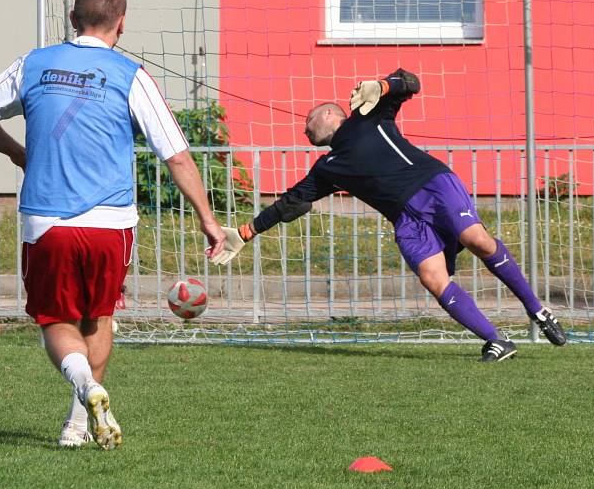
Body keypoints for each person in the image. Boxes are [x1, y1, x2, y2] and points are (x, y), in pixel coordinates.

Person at [0, 0, 226, 449]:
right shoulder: (131, 76)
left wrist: (18, 153)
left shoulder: (34, 63)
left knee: (56, 321)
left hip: (47, 221)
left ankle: (85, 393)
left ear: (71, 18)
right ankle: (78, 423)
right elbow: (178, 157)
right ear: (121, 25)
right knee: (98, 317)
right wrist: (208, 220)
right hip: (111, 224)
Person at [212, 68, 566, 361]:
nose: (304, 129)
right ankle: (497, 341)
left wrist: (381, 86)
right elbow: (289, 203)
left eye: (308, 121)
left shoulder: (367, 115)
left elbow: (410, 82)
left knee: (477, 240)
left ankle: (537, 309)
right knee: (432, 277)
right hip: (406, 219)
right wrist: (244, 233)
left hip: (431, 185)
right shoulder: (327, 168)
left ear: (330, 114)